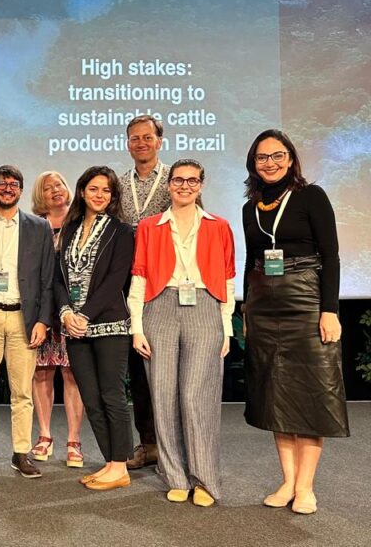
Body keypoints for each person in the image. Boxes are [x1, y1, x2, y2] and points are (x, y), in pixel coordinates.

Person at [242, 129, 347, 515]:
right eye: (262, 157)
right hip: (263, 304)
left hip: (305, 300)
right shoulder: (250, 206)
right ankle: (287, 481)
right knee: (276, 394)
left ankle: (306, 487)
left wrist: (330, 309)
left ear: (290, 158)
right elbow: (251, 259)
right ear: (253, 163)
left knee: (310, 394)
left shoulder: (311, 196)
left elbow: (331, 256)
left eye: (277, 155)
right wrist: (246, 310)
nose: (270, 163)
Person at [128, 160, 235, 507]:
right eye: (178, 180)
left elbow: (229, 278)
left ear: (201, 185)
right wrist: (137, 326)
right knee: (162, 395)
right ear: (169, 185)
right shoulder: (149, 226)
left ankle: (204, 478)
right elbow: (139, 277)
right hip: (159, 307)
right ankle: (174, 475)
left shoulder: (219, 226)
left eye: (192, 180)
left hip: (205, 306)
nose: (184, 186)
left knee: (195, 397)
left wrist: (227, 328)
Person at [0, 165, 54, 480]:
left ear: (20, 190)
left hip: (24, 317)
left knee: (22, 391)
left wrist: (43, 320)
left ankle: (21, 453)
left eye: (14, 184)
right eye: (1, 184)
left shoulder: (39, 227)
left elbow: (47, 279)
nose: (7, 188)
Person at [54, 166, 135, 491]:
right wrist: (64, 313)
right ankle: (110, 462)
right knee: (90, 397)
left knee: (112, 395)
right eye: (93, 189)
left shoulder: (122, 231)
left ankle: (121, 465)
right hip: (73, 327)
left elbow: (116, 279)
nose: (99, 195)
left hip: (109, 324)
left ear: (113, 196)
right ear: (82, 192)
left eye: (106, 190)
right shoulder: (69, 229)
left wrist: (84, 314)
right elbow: (58, 277)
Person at [117, 114, 171, 470]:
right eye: (134, 138)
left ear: (159, 141)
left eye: (147, 137)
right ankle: (148, 443)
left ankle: (172, 447)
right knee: (138, 368)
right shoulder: (118, 184)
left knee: (166, 367)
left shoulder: (176, 180)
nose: (141, 143)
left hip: (165, 281)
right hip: (128, 283)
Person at [28, 171, 86, 469]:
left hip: (74, 310)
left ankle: (74, 441)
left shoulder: (82, 223)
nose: (55, 191)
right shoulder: (33, 227)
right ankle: (44, 435)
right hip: (41, 312)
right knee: (42, 372)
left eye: (59, 185)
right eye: (47, 188)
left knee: (73, 374)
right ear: (40, 196)